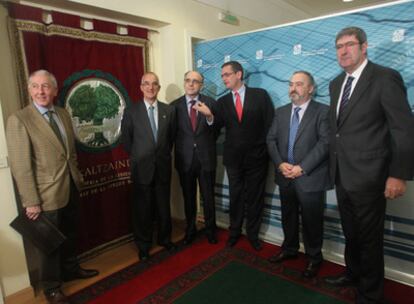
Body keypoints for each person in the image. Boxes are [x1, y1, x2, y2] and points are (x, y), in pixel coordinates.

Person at [324, 27, 414, 303]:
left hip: (371, 177)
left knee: (369, 238)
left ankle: (371, 294)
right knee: (351, 233)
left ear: (364, 47)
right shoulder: (336, 83)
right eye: (339, 46)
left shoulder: (385, 77)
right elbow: (338, 131)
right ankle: (353, 274)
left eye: (349, 44)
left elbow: (402, 129)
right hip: (342, 174)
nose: (343, 50)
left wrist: (398, 175)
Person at [6, 70, 98, 304]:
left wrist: (76, 176)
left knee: (70, 234)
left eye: (46, 86)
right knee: (49, 246)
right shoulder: (20, 119)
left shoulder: (63, 114)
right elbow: (20, 166)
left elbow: (71, 154)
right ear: (29, 90)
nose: (40, 91)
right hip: (44, 197)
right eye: (35, 86)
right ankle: (52, 288)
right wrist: (31, 201)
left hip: (70, 188)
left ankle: (70, 270)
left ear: (55, 90)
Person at [195, 61, 274, 251]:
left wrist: (267, 151)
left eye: (227, 75)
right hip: (233, 160)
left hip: (257, 158)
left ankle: (253, 234)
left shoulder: (260, 95)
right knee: (236, 196)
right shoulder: (222, 102)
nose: (224, 79)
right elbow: (216, 127)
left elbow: (271, 124)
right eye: (222, 76)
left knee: (255, 197)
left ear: (239, 74)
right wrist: (209, 116)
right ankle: (235, 232)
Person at [266, 71, 330, 278]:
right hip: (285, 175)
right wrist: (280, 163)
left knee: (312, 220)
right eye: (291, 84)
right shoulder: (281, 112)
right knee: (288, 215)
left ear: (311, 88)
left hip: (309, 176)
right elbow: (271, 140)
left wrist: (302, 167)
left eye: (299, 84)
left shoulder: (323, 111)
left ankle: (313, 258)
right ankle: (290, 249)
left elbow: (325, 142)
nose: (293, 88)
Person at [121, 72, 177, 261]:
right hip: (141, 168)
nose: (150, 87)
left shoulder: (169, 111)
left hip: (162, 166)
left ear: (158, 88)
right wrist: (141, 156)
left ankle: (164, 239)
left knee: (163, 206)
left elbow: (170, 139)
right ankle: (143, 245)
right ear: (141, 87)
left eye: (154, 84)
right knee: (142, 210)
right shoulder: (131, 111)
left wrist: (158, 154)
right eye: (146, 84)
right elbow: (127, 142)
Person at [172, 71, 218, 245]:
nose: (191, 84)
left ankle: (210, 230)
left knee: (208, 197)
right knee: (188, 197)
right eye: (188, 81)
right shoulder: (173, 106)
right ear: (184, 83)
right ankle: (190, 229)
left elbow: (216, 132)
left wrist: (209, 116)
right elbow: (171, 135)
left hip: (205, 159)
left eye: (195, 81)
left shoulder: (211, 103)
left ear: (201, 85)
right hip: (185, 160)